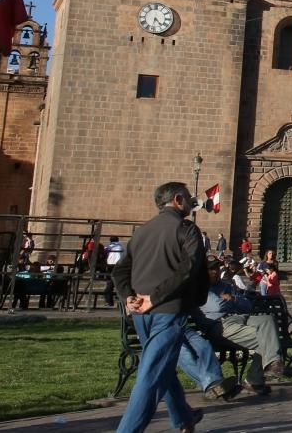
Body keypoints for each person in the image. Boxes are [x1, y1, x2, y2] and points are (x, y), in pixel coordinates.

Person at [112, 182, 207, 433]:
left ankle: (184, 418)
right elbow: (188, 269)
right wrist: (155, 298)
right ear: (177, 199)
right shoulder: (186, 229)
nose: (190, 201)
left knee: (162, 365)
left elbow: (120, 270)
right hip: (168, 310)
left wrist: (128, 297)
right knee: (152, 372)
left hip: (142, 314)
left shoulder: (142, 231)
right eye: (187, 197)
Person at [198, 259, 289, 393]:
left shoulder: (226, 285)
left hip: (241, 317)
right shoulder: (200, 288)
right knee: (268, 339)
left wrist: (233, 299)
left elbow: (247, 305)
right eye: (211, 269)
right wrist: (230, 300)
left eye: (217, 268)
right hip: (220, 325)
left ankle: (273, 364)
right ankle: (255, 380)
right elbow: (217, 306)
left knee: (267, 319)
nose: (215, 272)